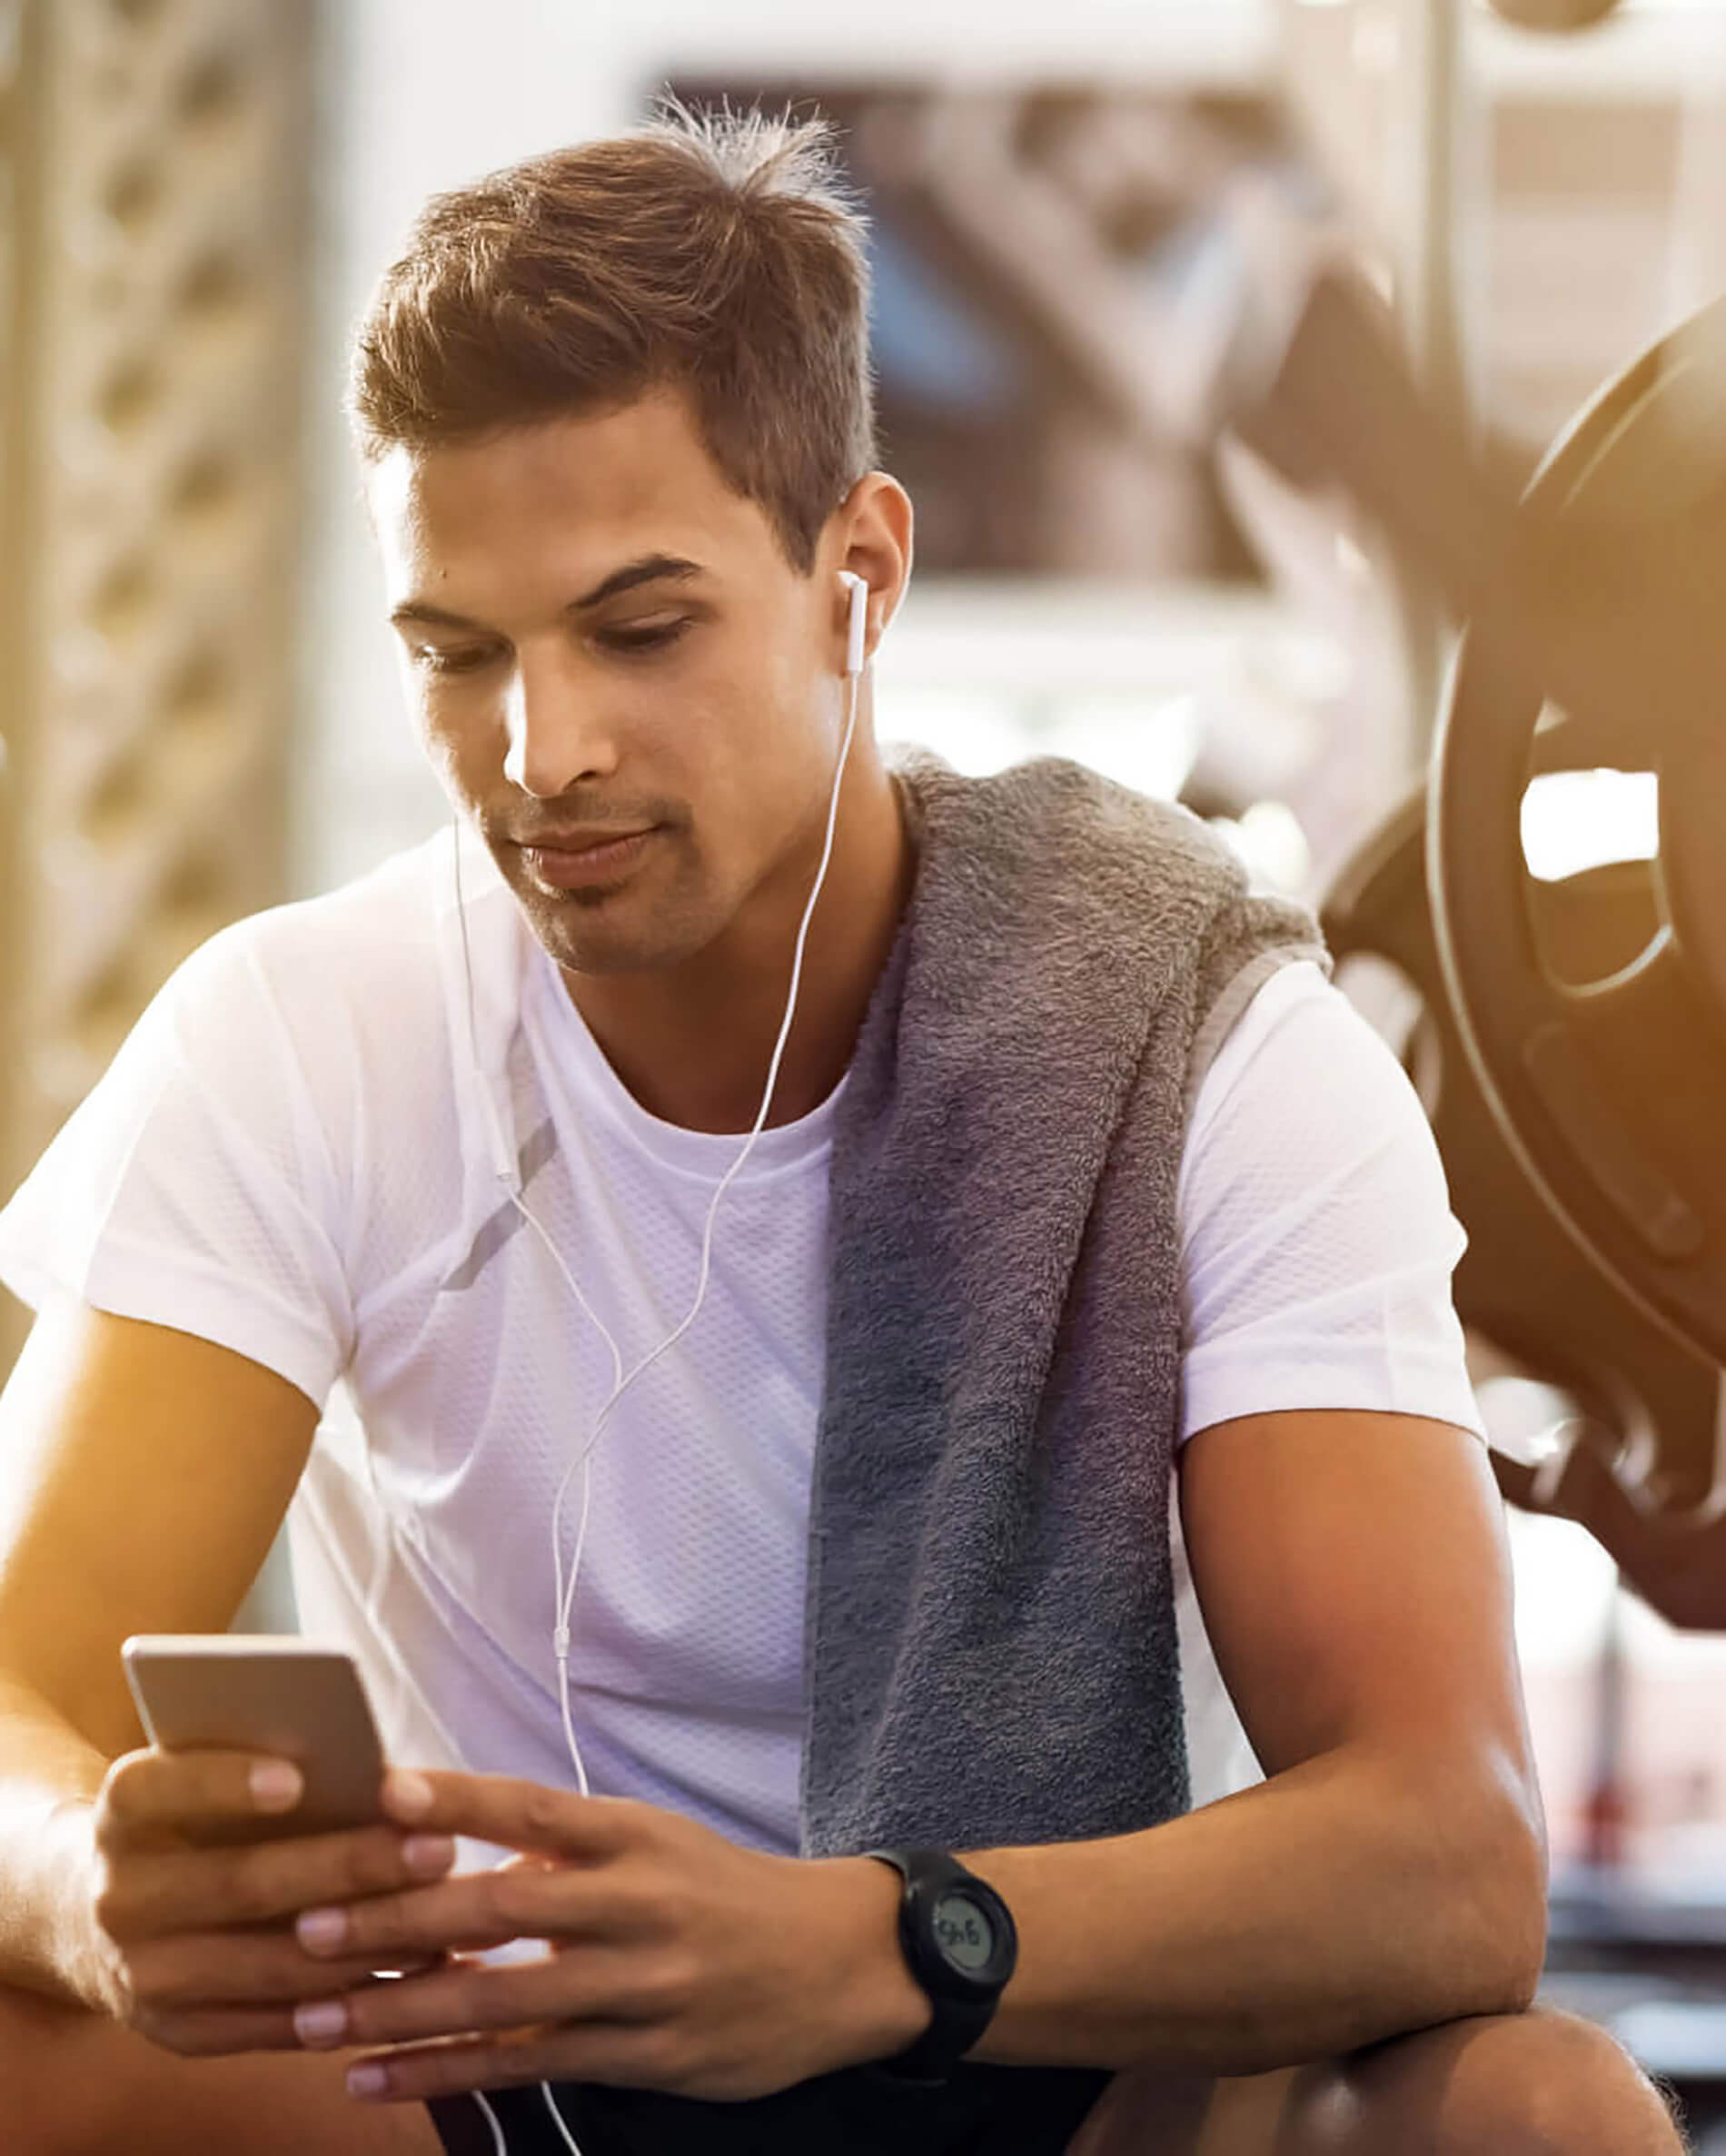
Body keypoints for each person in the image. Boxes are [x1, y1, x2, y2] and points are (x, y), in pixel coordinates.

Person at [0, 105, 1688, 2156]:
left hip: (1050, 2036)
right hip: (501, 2067)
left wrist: (861, 1943)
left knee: (1538, 2109)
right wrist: (81, 1881)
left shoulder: (1205, 1041)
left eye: (637, 628)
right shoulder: (298, 1035)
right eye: (459, 654)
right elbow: (11, 1709)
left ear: (854, 576)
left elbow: (1443, 1854)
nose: (542, 754)